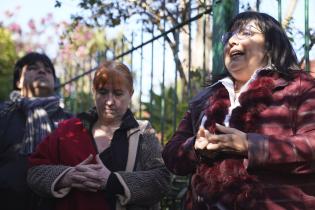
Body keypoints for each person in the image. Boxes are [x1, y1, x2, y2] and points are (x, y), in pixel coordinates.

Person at [162, 11, 315, 210]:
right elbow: (171, 154)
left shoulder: (301, 87)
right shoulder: (205, 98)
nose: (233, 41)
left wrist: (249, 145)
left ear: (270, 46)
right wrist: (195, 147)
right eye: (230, 36)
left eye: (246, 33)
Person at [27, 61, 171, 210]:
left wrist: (112, 180)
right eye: (103, 92)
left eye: (118, 93)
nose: (109, 101)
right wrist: (67, 176)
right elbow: (35, 172)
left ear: (131, 94)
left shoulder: (142, 132)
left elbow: (161, 179)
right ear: (93, 92)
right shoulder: (68, 130)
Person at [0, 52, 72, 210]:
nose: (42, 71)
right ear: (18, 82)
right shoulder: (3, 114)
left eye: (48, 69)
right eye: (33, 68)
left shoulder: (72, 122)